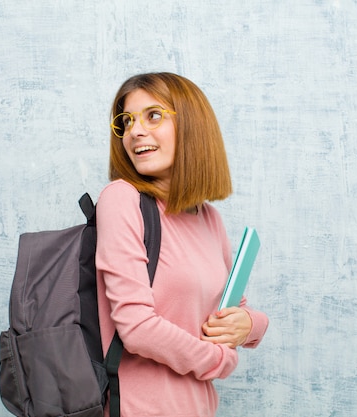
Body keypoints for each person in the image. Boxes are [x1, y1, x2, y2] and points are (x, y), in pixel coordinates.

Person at [95, 72, 269, 417]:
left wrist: (253, 325)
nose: (135, 131)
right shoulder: (122, 199)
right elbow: (137, 327)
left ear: (192, 125)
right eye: (126, 121)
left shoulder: (209, 218)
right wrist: (219, 361)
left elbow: (227, 311)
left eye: (153, 115)